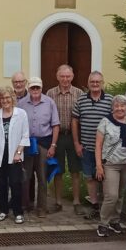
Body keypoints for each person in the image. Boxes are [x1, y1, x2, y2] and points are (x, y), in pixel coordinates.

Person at [0, 87, 30, 223]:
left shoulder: (21, 114)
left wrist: (19, 153)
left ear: (12, 98)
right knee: (1, 184)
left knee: (16, 184)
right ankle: (3, 210)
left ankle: (18, 212)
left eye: (7, 97)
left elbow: (25, 136)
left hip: (15, 155)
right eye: (2, 98)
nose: (5, 101)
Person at [94, 95, 126, 237]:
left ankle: (115, 220)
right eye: (117, 106)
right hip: (110, 164)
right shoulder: (105, 122)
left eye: (122, 106)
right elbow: (98, 145)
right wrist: (99, 165)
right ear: (112, 108)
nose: (120, 108)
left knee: (120, 195)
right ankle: (103, 223)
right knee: (111, 196)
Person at [72, 71, 114, 217]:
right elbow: (75, 121)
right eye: (92, 82)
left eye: (98, 82)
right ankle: (95, 206)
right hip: (87, 146)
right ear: (88, 83)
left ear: (102, 83)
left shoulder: (110, 100)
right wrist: (76, 143)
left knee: (106, 178)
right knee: (89, 177)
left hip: (106, 149)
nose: (95, 84)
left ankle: (106, 208)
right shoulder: (81, 100)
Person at [18, 76, 60, 217]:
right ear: (28, 88)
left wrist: (53, 145)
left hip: (43, 143)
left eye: (37, 87)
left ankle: (42, 207)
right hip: (27, 144)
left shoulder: (50, 102)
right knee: (25, 176)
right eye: (32, 87)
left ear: (41, 88)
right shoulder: (21, 104)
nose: (35, 90)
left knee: (42, 177)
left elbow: (55, 125)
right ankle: (24, 205)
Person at [45, 64, 84, 211]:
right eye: (62, 76)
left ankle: (76, 201)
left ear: (72, 77)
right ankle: (58, 202)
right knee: (58, 170)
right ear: (57, 77)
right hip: (58, 136)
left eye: (68, 76)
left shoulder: (79, 93)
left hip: (74, 136)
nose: (65, 79)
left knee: (75, 170)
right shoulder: (50, 93)